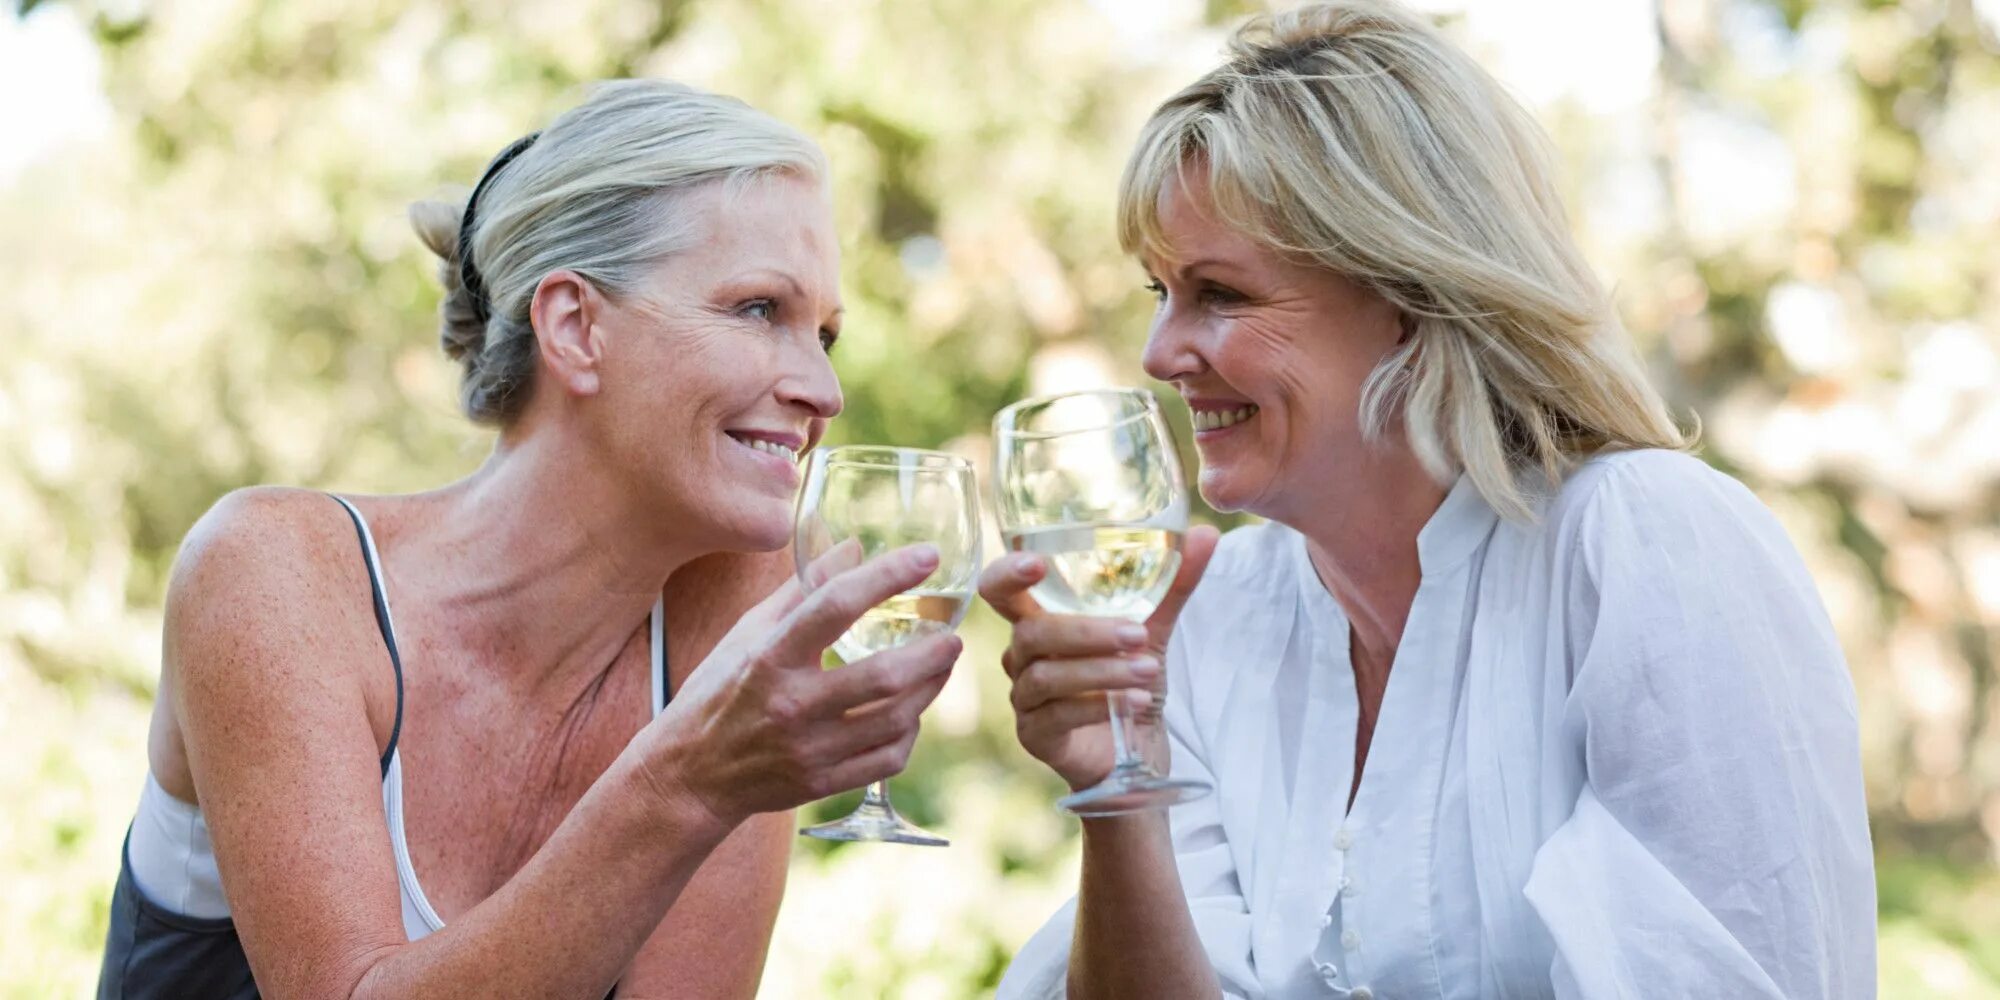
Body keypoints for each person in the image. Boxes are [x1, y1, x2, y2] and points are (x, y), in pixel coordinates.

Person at [984, 3, 1876, 997]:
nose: (1159, 354)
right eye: (1158, 292)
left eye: (1220, 296)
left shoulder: (1646, 546)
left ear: (1409, 293)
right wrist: (1122, 786)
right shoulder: (1211, 613)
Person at [97, 79, 960, 999]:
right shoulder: (278, 573)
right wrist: (688, 785)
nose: (823, 390)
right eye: (759, 311)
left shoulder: (732, 598)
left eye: (825, 334)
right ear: (575, 326)